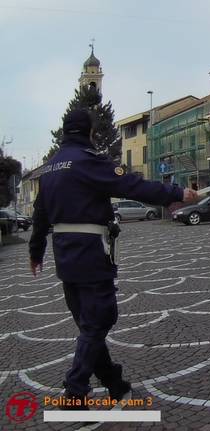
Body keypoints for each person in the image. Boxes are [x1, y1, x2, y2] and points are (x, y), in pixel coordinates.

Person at [28, 109, 197, 409]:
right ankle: (75, 391)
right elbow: (131, 185)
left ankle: (116, 385)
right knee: (101, 319)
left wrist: (35, 252)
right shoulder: (87, 161)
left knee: (89, 326)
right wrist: (177, 193)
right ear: (89, 132)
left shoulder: (50, 168)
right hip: (90, 252)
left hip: (64, 255)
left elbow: (40, 214)